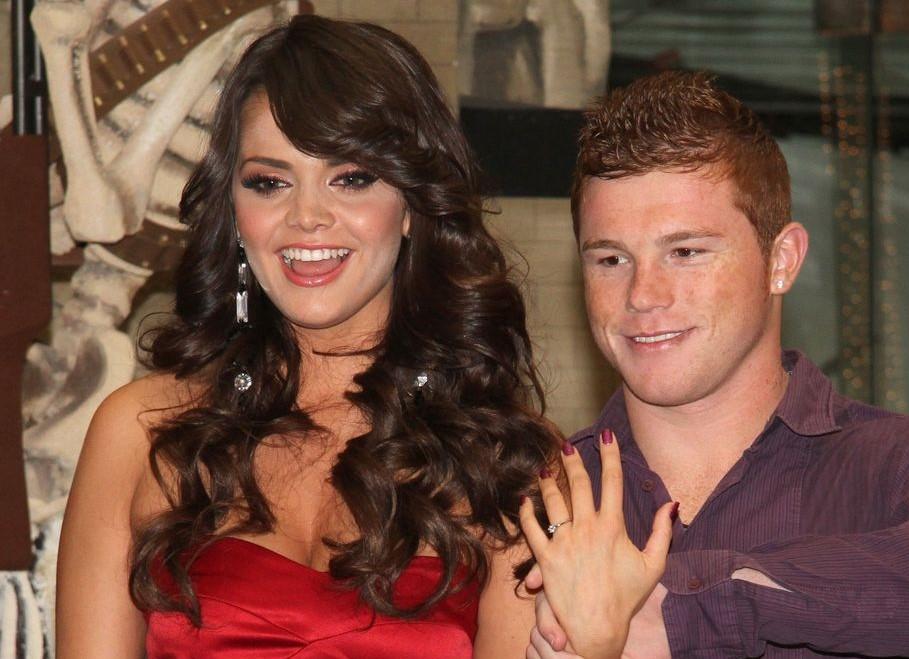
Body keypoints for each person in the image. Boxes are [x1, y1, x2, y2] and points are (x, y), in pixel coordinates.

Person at [56, 16, 561, 658]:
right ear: (234, 212)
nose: (307, 217)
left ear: (412, 204)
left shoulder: (509, 462)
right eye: (270, 183)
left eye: (351, 178)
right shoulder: (140, 432)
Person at [520, 70, 909, 658]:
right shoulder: (535, 501)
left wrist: (681, 613)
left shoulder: (905, 464)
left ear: (781, 261)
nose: (642, 295)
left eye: (685, 252)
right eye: (610, 259)